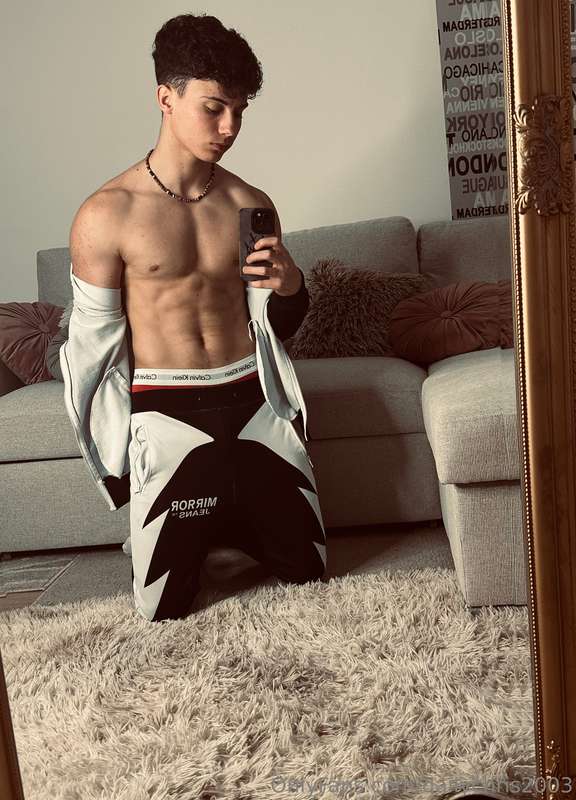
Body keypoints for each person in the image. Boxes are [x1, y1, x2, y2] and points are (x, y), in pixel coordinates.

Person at [56, 13, 328, 622]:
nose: (229, 127)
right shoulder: (105, 215)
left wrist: (291, 286)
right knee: (165, 608)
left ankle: (222, 525)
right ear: (165, 98)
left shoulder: (249, 203)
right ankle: (191, 530)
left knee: (308, 570)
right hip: (167, 409)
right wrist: (117, 462)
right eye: (213, 108)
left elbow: (277, 328)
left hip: (252, 399)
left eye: (239, 111)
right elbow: (92, 351)